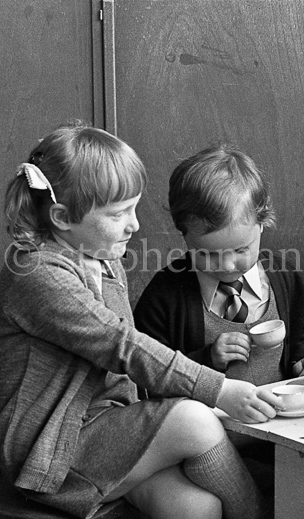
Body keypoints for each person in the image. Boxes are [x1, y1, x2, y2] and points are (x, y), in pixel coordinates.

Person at [0, 123, 279, 519]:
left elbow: (121, 377)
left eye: (134, 208)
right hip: (52, 450)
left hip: (108, 431)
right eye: (119, 214)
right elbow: (123, 345)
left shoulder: (104, 259)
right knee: (194, 419)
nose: (135, 225)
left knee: (195, 507)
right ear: (62, 216)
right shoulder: (36, 274)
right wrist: (220, 390)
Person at [134, 144, 304, 385]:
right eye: (207, 254)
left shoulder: (283, 276)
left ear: (262, 224)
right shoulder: (165, 295)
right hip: (204, 420)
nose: (226, 265)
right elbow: (147, 368)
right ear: (184, 234)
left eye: (240, 250)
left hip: (283, 417)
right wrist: (208, 359)